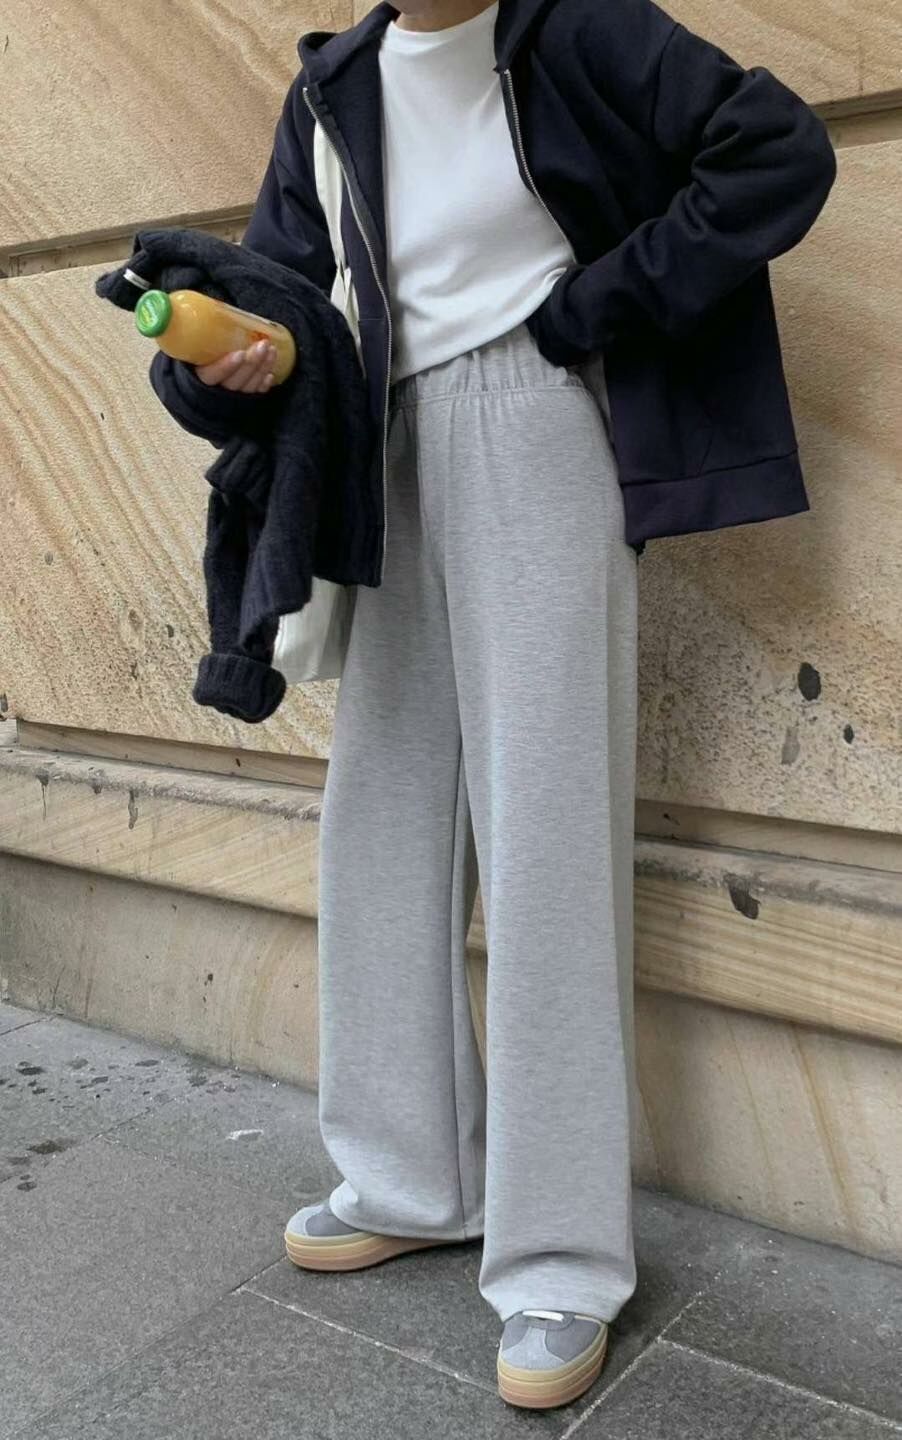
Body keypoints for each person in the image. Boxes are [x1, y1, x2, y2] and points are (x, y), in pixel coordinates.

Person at [186, 0, 836, 1409]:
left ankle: (559, 1259)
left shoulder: (574, 26)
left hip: (540, 428)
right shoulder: (335, 85)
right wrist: (225, 358)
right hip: (383, 448)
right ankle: (408, 1177)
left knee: (544, 831)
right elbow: (286, 295)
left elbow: (773, 152)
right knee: (380, 817)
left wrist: (587, 312)